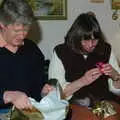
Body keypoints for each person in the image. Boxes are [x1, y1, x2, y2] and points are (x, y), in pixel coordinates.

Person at [47, 12, 120, 119]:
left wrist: (115, 75)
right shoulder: (61, 52)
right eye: (86, 40)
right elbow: (56, 94)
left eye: (95, 39)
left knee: (112, 117)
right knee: (85, 117)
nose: (91, 45)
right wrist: (83, 81)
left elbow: (117, 90)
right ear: (76, 37)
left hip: (104, 101)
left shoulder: (105, 49)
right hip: (73, 104)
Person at [0, 0, 46, 112]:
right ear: (2, 24)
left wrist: (43, 91)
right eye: (17, 30)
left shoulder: (32, 49)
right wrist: (7, 95)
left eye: (26, 30)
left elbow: (38, 86)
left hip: (29, 112)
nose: (22, 35)